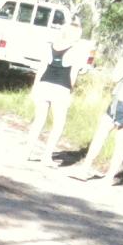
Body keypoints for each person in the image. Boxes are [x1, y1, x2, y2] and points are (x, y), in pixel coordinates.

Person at [25, 20, 86, 165]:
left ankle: (27, 152)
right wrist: (70, 90)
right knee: (58, 124)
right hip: (61, 88)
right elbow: (73, 75)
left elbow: (41, 68)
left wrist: (35, 87)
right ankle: (46, 156)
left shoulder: (50, 46)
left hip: (44, 84)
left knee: (39, 120)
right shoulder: (76, 51)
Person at [69, 50, 123, 184]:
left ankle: (85, 168)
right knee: (121, 141)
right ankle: (109, 177)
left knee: (101, 133)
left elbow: (116, 77)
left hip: (122, 100)